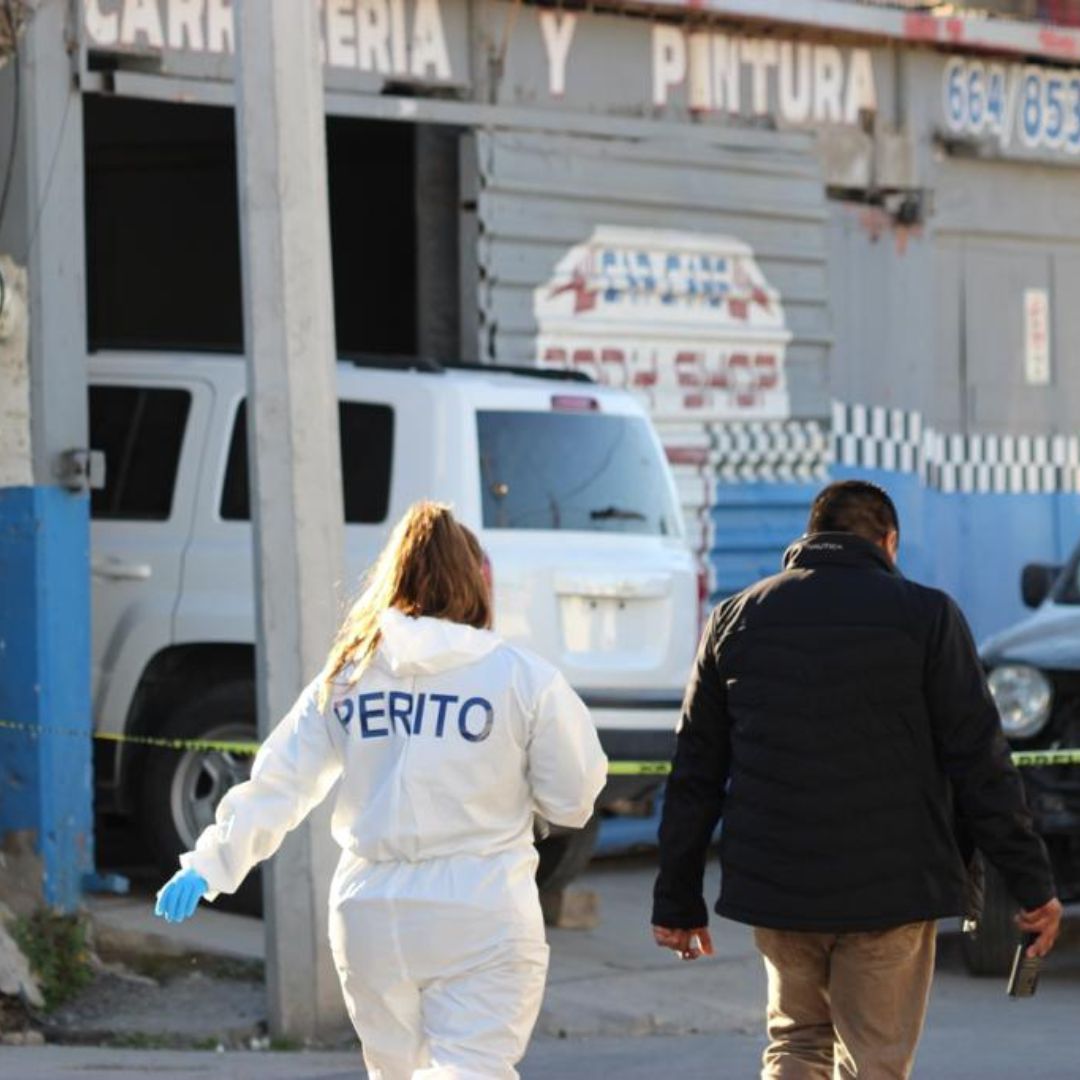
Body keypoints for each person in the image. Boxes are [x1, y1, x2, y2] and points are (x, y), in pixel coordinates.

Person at [155, 501, 607, 1079]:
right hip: (481, 901)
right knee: (472, 1068)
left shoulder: (347, 676)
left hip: (369, 908)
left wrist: (210, 864)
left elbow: (279, 782)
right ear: (475, 580)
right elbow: (572, 797)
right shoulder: (523, 679)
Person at [651, 480, 1062, 1079]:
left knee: (796, 1043)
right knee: (874, 1062)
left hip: (779, 887)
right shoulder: (926, 616)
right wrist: (1031, 882)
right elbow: (980, 763)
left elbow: (695, 772)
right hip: (891, 891)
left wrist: (677, 899)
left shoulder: (734, 619)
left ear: (810, 538)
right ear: (889, 542)